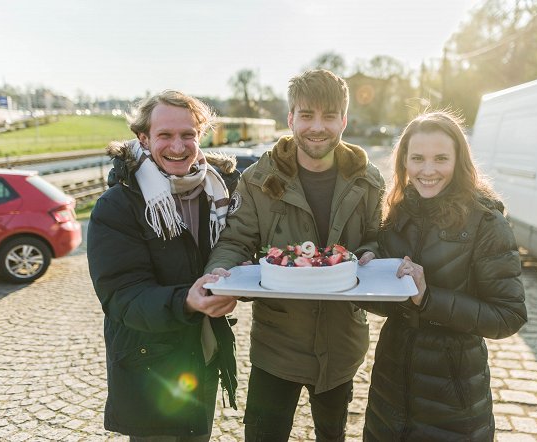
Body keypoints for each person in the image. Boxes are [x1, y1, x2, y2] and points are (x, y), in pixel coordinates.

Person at [205, 69, 385, 441]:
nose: (317, 127)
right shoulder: (258, 179)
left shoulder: (368, 180)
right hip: (277, 348)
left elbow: (378, 238)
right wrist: (218, 273)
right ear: (290, 119)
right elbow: (236, 240)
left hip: (341, 348)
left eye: (329, 116)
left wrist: (370, 253)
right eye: (306, 115)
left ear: (343, 120)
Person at [361, 111, 528, 441]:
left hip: (454, 397)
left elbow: (509, 315)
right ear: (404, 161)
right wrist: (368, 276)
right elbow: (391, 305)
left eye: (441, 159)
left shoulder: (486, 223)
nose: (427, 170)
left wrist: (429, 298)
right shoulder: (394, 214)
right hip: (390, 387)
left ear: (459, 160)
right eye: (417, 158)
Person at [87, 90, 240, 441]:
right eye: (165, 135)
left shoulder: (217, 194)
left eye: (188, 135)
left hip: (202, 356)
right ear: (144, 138)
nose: (178, 145)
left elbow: (235, 253)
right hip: (149, 367)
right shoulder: (117, 206)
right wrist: (187, 300)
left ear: (200, 137)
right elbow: (121, 297)